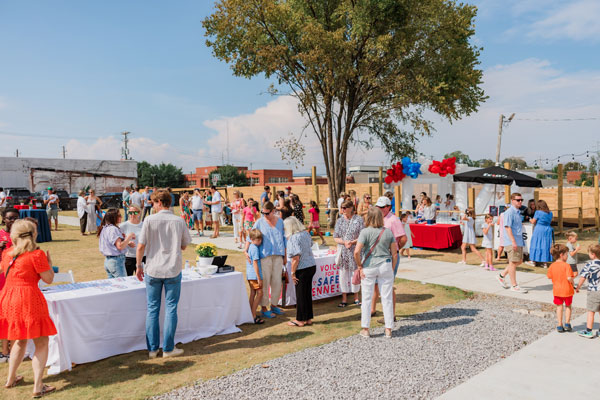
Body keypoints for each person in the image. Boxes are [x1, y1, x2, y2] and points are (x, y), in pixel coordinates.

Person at [0, 220, 57, 397]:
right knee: (41, 342)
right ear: (34, 234)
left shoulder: (7, 253)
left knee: (19, 339)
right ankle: (38, 386)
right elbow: (48, 279)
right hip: (28, 299)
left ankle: (10, 379)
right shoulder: (36, 254)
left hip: (9, 298)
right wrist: (49, 263)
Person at [136, 189, 191, 358]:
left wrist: (138, 265)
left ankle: (153, 349)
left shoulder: (149, 220)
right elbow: (184, 245)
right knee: (170, 308)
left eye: (153, 203)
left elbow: (141, 246)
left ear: (159, 202)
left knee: (153, 308)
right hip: (172, 268)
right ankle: (167, 348)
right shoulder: (178, 221)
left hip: (154, 268)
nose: (152, 206)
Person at [354, 207, 398, 338]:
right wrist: (392, 268)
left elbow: (356, 252)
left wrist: (359, 266)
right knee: (387, 298)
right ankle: (388, 328)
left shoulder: (365, 232)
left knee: (366, 298)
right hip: (385, 264)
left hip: (369, 266)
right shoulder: (388, 232)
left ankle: (366, 328)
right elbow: (394, 254)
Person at [244, 201, 286, 319]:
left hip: (278, 256)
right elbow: (250, 236)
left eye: (267, 213)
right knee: (265, 282)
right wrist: (245, 250)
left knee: (277, 282)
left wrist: (285, 256)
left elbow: (284, 239)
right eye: (263, 213)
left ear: (273, 211)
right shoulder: (259, 222)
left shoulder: (280, 222)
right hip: (264, 256)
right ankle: (264, 308)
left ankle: (274, 305)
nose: (265, 215)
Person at [371, 196, 407, 321]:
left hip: (389, 256)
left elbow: (403, 238)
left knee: (387, 285)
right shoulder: (379, 218)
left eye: (382, 207)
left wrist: (395, 249)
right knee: (376, 284)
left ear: (388, 207)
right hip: (378, 256)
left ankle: (391, 315)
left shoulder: (393, 220)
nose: (380, 209)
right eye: (378, 207)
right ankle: (372, 309)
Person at [285, 216, 317, 327]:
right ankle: (308, 318)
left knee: (301, 294)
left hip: (302, 268)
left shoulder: (293, 238)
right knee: (307, 293)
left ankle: (300, 319)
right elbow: (310, 245)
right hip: (311, 265)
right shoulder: (305, 234)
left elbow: (296, 258)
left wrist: (292, 272)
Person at [334, 199, 364, 307]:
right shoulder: (339, 221)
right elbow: (335, 237)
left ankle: (356, 297)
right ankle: (344, 298)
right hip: (343, 252)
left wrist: (352, 242)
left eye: (345, 208)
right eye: (341, 208)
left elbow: (362, 235)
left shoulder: (358, 219)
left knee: (355, 274)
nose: (343, 210)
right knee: (343, 275)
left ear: (351, 208)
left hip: (355, 251)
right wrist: (344, 242)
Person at [496, 193, 528, 293]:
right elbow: (507, 227)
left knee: (519, 261)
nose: (520, 202)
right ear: (512, 201)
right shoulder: (509, 212)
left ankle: (501, 276)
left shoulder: (518, 212)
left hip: (519, 240)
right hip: (512, 241)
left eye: (521, 200)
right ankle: (514, 285)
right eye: (518, 200)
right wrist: (513, 241)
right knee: (513, 263)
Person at [98, 208, 135, 278]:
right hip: (116, 261)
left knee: (113, 284)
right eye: (119, 215)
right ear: (113, 217)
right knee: (123, 283)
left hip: (108, 261)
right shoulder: (113, 229)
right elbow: (119, 246)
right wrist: (129, 237)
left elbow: (112, 244)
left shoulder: (105, 228)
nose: (121, 217)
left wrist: (127, 242)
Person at [547, 244, 576, 333]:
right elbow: (569, 277)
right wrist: (573, 282)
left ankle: (560, 324)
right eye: (566, 254)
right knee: (568, 306)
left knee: (559, 307)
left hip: (557, 290)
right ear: (561, 255)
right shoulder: (566, 265)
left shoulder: (552, 266)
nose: (567, 256)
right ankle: (567, 323)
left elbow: (549, 276)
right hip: (567, 290)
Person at [575, 244, 600, 338]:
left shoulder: (589, 265)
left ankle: (589, 331)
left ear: (593, 254)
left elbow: (583, 277)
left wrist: (578, 286)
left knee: (591, 312)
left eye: (589, 253)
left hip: (593, 291)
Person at [528, 200, 554, 268]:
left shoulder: (538, 212)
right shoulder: (550, 213)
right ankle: (545, 263)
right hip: (547, 229)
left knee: (536, 243)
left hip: (539, 229)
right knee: (545, 245)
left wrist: (529, 219)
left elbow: (533, 221)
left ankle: (533, 261)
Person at [246, 229, 264, 324]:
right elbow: (255, 263)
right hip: (254, 275)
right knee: (260, 293)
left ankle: (249, 313)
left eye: (260, 239)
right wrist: (259, 278)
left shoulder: (251, 247)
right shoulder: (255, 249)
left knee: (253, 293)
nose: (260, 241)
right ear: (252, 239)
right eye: (258, 240)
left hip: (250, 274)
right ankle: (253, 315)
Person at [119, 205, 144, 276]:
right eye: (130, 212)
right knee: (127, 279)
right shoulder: (123, 226)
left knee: (143, 279)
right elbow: (119, 242)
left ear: (139, 213)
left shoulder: (144, 225)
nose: (132, 214)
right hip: (128, 257)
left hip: (142, 257)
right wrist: (128, 242)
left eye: (135, 212)